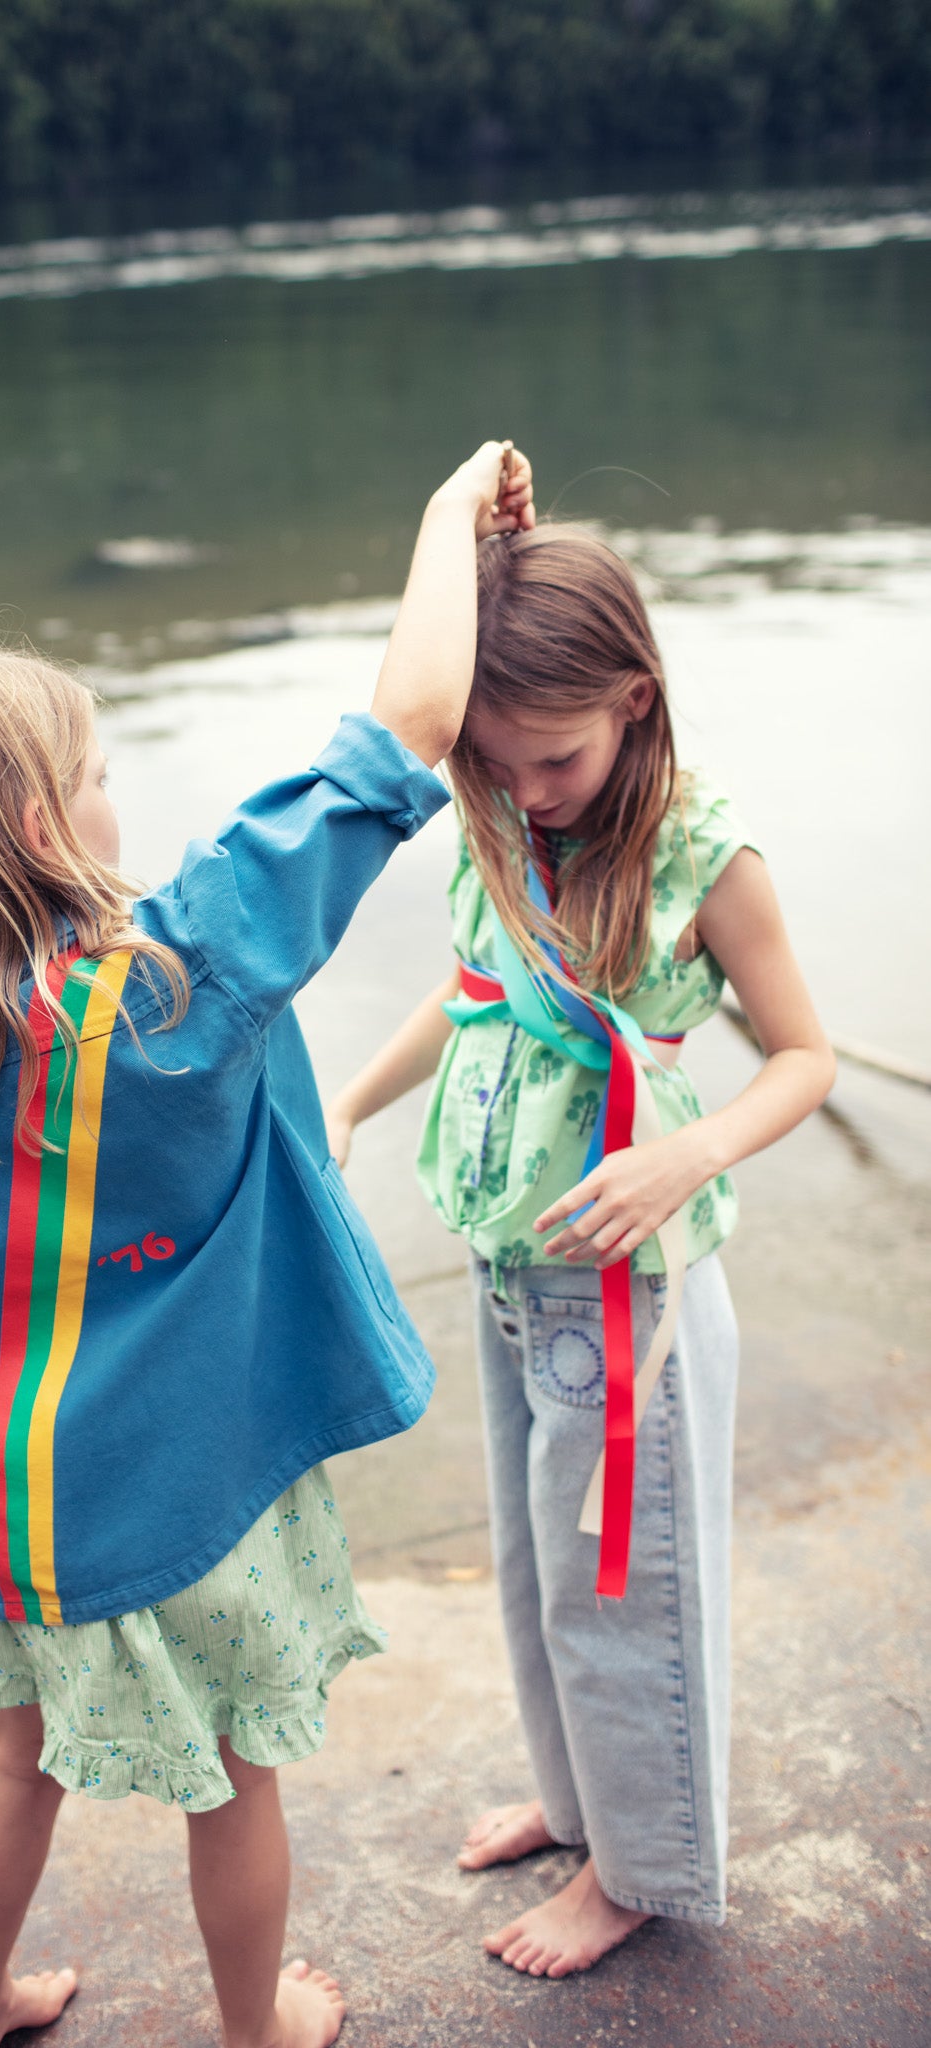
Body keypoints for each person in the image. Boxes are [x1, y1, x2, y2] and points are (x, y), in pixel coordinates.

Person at [0, 440, 535, 2048]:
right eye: (91, 775)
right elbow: (401, 740)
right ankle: (252, 2027)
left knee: (12, 1753)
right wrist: (443, 517)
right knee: (233, 1773)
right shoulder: (174, 986)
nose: (111, 798)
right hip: (190, 1491)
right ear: (34, 819)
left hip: (15, 1497)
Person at [326, 518, 835, 1979]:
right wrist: (353, 1097)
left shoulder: (705, 854)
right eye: (491, 761)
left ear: (632, 698)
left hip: (633, 1292)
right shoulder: (506, 823)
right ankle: (576, 1804)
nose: (523, 790)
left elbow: (801, 1058)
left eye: (550, 760)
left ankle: (637, 1872)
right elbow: (475, 989)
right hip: (515, 1263)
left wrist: (689, 1152)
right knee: (535, 1566)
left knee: (629, 1583)